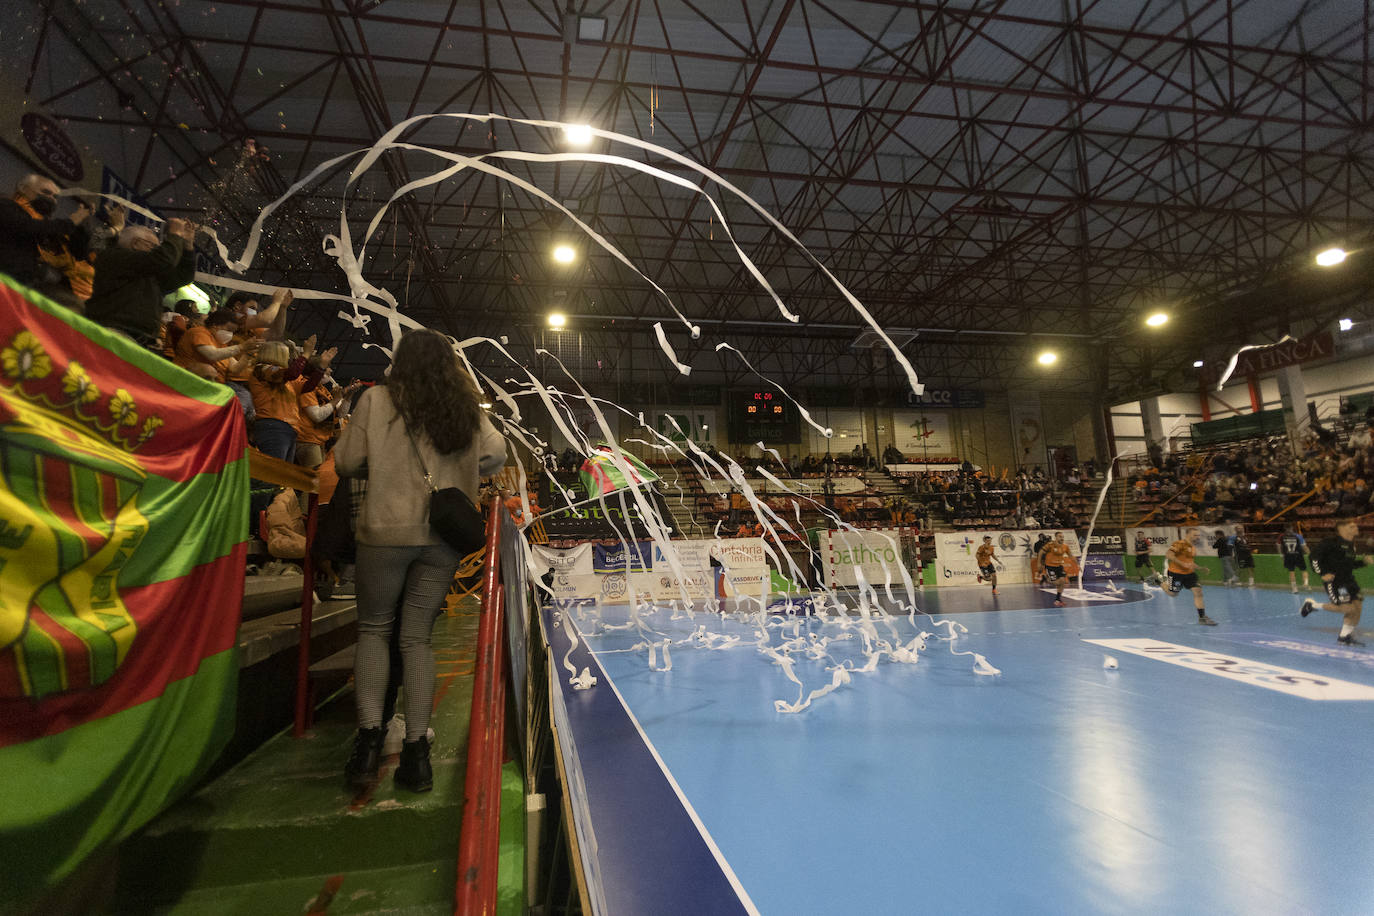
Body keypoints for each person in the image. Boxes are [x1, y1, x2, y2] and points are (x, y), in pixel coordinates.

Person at [335, 329, 506, 792]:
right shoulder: (465, 406)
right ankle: (417, 756)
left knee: (373, 630)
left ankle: (368, 746)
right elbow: (496, 453)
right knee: (416, 639)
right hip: (441, 540)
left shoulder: (374, 400)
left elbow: (345, 463)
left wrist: (386, 464)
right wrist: (462, 468)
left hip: (385, 534)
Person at [84, 220, 196, 348]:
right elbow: (163, 259)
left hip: (138, 339)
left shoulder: (149, 274)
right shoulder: (115, 258)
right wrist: (174, 234)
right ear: (136, 243)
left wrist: (188, 245)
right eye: (154, 247)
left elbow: (183, 276)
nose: (157, 252)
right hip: (113, 332)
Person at [250, 338, 331, 463]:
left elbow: (307, 387)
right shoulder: (261, 370)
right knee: (272, 473)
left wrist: (321, 368)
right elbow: (292, 373)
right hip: (273, 425)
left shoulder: (286, 380)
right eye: (286, 355)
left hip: (289, 429)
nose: (290, 359)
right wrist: (306, 355)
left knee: (282, 475)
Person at [1300, 518, 1372, 646]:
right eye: (1352, 526)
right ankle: (1312, 605)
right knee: (1347, 608)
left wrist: (1363, 562)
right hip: (1336, 582)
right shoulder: (1330, 542)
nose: (1356, 528)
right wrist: (1322, 573)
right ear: (1341, 529)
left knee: (1357, 607)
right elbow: (1314, 557)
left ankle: (1344, 637)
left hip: (1349, 580)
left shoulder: (1351, 545)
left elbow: (1349, 565)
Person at [1165, 528, 1218, 625]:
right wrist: (1182, 564)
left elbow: (1190, 562)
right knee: (1173, 594)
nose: (1197, 537)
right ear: (1188, 534)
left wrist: (1201, 568)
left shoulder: (1193, 547)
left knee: (1198, 592)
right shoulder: (1179, 544)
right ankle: (1158, 581)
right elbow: (1168, 555)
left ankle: (1202, 618)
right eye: (1195, 535)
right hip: (1176, 573)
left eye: (1198, 535)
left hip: (1190, 574)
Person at [1038, 532, 1073, 606]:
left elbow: (1071, 556)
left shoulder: (1065, 546)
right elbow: (1041, 552)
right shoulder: (1050, 545)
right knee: (1057, 583)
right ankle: (1046, 579)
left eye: (1062, 536)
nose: (1062, 538)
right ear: (1056, 537)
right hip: (1050, 566)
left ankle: (1058, 600)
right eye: (1060, 536)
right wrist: (1039, 563)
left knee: (1063, 581)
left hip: (1059, 566)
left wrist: (1077, 564)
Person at [1278, 526, 1310, 593]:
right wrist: (1310, 554)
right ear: (1292, 529)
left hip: (1288, 555)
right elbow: (1304, 547)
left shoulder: (1281, 536)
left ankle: (1294, 589)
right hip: (1298, 555)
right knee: (1303, 570)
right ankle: (1306, 583)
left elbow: (1278, 546)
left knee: (1291, 572)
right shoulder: (1299, 536)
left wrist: (1281, 555)